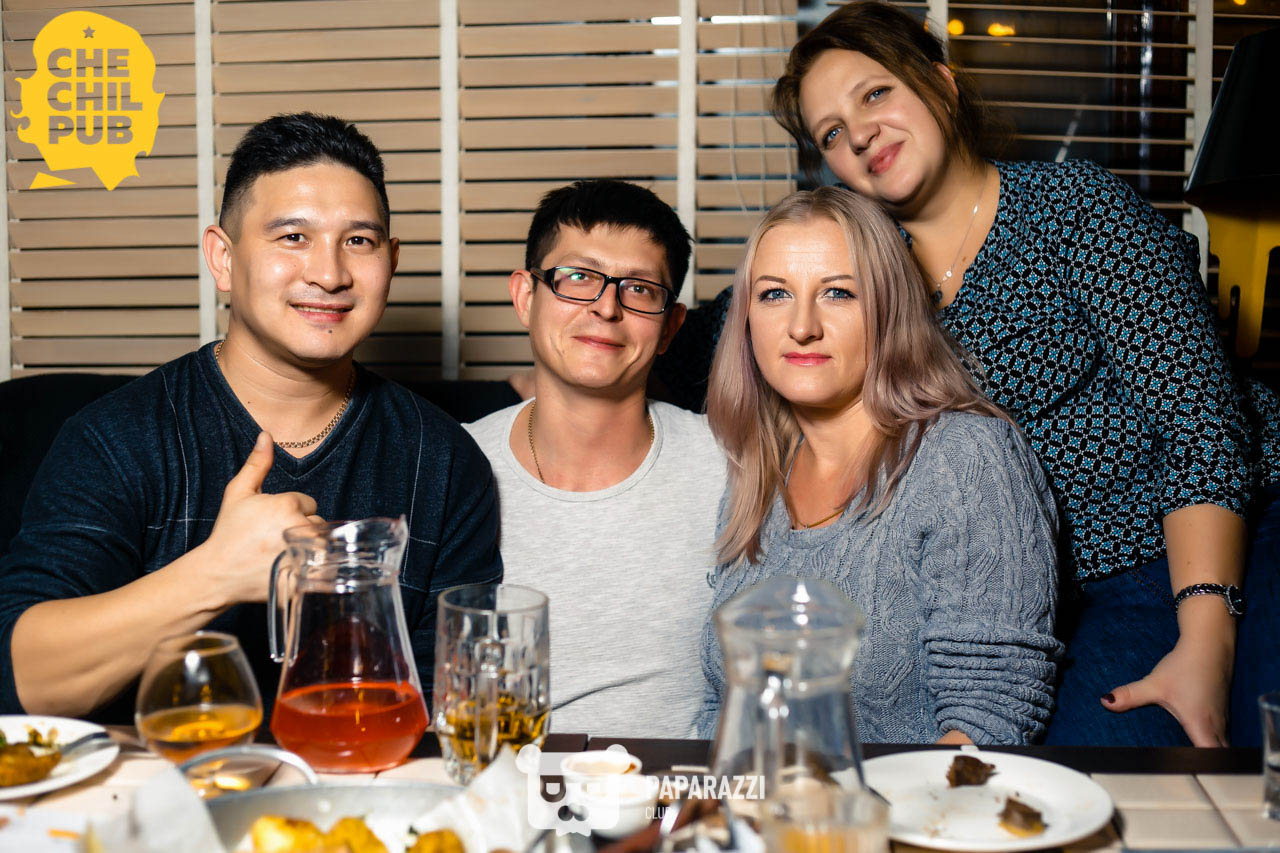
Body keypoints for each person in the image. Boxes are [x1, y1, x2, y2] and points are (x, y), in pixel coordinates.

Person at [670, 0, 1280, 746]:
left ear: (941, 82)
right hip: (1049, 588)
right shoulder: (866, 271)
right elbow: (734, 327)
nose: (858, 133)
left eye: (875, 93)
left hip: (1198, 542)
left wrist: (1206, 634)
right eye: (831, 132)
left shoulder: (1073, 210)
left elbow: (1202, 425)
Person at [0, 113, 501, 722]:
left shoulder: (443, 459)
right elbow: (21, 681)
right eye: (292, 237)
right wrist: (215, 574)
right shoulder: (116, 438)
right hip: (159, 778)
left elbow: (445, 713)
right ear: (222, 257)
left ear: (391, 262)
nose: (329, 274)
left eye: (358, 242)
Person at [697, 187, 1060, 745]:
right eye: (774, 294)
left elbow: (987, 722)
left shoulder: (965, 458)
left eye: (838, 293)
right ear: (746, 318)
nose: (802, 326)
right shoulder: (757, 472)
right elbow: (718, 708)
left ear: (889, 310)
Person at [464, 180, 726, 738]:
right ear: (525, 297)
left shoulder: (734, 467)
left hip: (682, 786)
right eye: (578, 277)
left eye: (640, 289)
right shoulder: (450, 468)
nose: (607, 308)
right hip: (503, 784)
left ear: (670, 327)